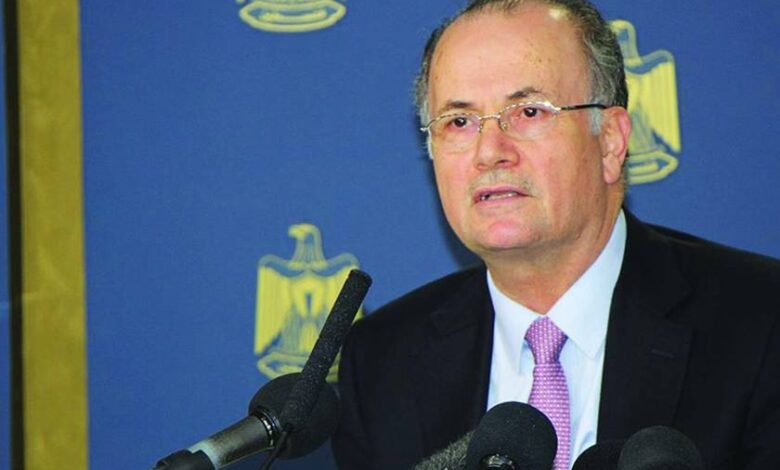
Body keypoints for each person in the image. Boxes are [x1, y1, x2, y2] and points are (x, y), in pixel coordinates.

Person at [331, 1, 780, 469]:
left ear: (611, 141)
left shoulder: (760, 324)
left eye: (528, 112)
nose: (489, 152)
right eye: (459, 122)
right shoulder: (381, 361)